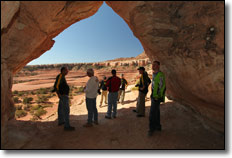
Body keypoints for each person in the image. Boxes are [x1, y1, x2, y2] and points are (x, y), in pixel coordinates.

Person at [53, 67, 75, 131]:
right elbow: (56, 85)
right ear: (63, 71)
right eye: (67, 70)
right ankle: (67, 126)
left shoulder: (62, 76)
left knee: (61, 108)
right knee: (66, 110)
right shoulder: (60, 76)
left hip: (63, 95)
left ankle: (61, 121)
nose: (67, 71)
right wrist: (58, 94)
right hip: (63, 95)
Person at [148, 61, 166, 136]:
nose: (153, 66)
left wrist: (158, 96)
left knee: (152, 113)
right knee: (157, 111)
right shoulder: (154, 74)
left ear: (158, 66)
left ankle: (151, 128)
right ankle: (158, 126)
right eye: (152, 65)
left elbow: (162, 87)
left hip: (156, 96)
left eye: (155, 65)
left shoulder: (160, 75)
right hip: (153, 95)